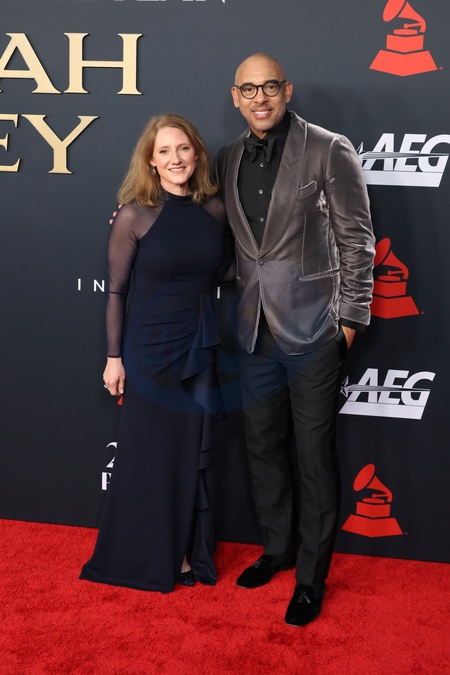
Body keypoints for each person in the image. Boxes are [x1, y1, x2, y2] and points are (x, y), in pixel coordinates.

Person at [215, 54, 375, 625]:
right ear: (235, 96)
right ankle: (277, 548)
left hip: (315, 333)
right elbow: (224, 242)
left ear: (287, 90)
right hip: (252, 332)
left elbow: (357, 240)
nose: (259, 98)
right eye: (249, 89)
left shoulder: (328, 148)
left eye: (269, 87)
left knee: (313, 457)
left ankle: (311, 578)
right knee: (262, 447)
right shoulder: (227, 157)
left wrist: (350, 321)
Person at [80, 114, 228, 593]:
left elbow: (228, 270)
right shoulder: (133, 215)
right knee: (150, 455)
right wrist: (113, 357)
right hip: (149, 352)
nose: (175, 159)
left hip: (198, 346)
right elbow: (116, 292)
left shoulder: (216, 211)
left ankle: (185, 549)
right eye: (164, 151)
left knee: (187, 453)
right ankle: (154, 555)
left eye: (182, 148)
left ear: (197, 155)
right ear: (150, 161)